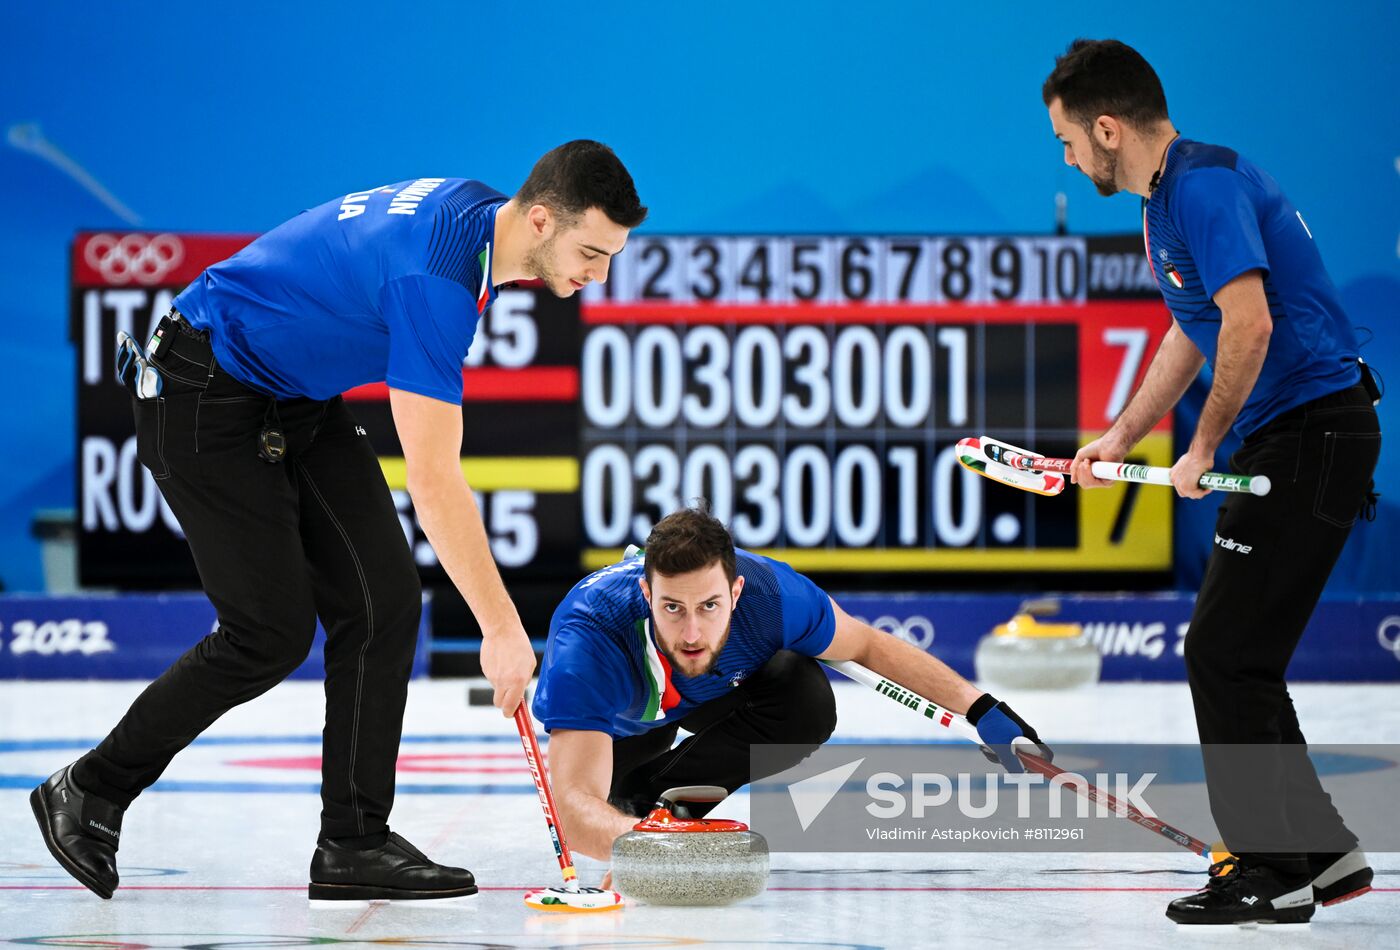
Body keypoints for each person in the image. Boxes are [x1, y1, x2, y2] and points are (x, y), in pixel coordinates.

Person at [30, 140, 647, 904]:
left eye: (612, 256)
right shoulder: (437, 279)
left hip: (291, 393)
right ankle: (87, 790)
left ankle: (353, 840)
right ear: (545, 219)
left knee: (384, 600)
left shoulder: (479, 214)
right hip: (200, 391)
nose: (599, 275)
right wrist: (501, 628)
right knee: (269, 631)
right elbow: (432, 477)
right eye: (592, 252)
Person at [1042, 40, 1380, 925]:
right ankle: (1324, 854)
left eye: (1069, 142)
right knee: (1244, 656)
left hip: (1311, 434)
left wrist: (1206, 446)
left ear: (1108, 128)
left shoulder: (1203, 186)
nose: (1069, 160)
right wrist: (1119, 436)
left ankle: (1270, 869)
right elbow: (1190, 335)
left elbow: (1251, 324)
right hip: (1296, 437)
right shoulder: (1167, 204)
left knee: (1222, 653)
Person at [530, 505, 1052, 863]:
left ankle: (658, 804)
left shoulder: (773, 597)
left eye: (709, 606)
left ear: (736, 591)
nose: (692, 632)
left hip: (714, 692)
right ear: (646, 593)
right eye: (673, 607)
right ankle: (636, 806)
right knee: (606, 799)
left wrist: (981, 709)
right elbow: (572, 810)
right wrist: (645, 848)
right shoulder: (589, 639)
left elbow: (868, 645)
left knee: (801, 692)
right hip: (627, 723)